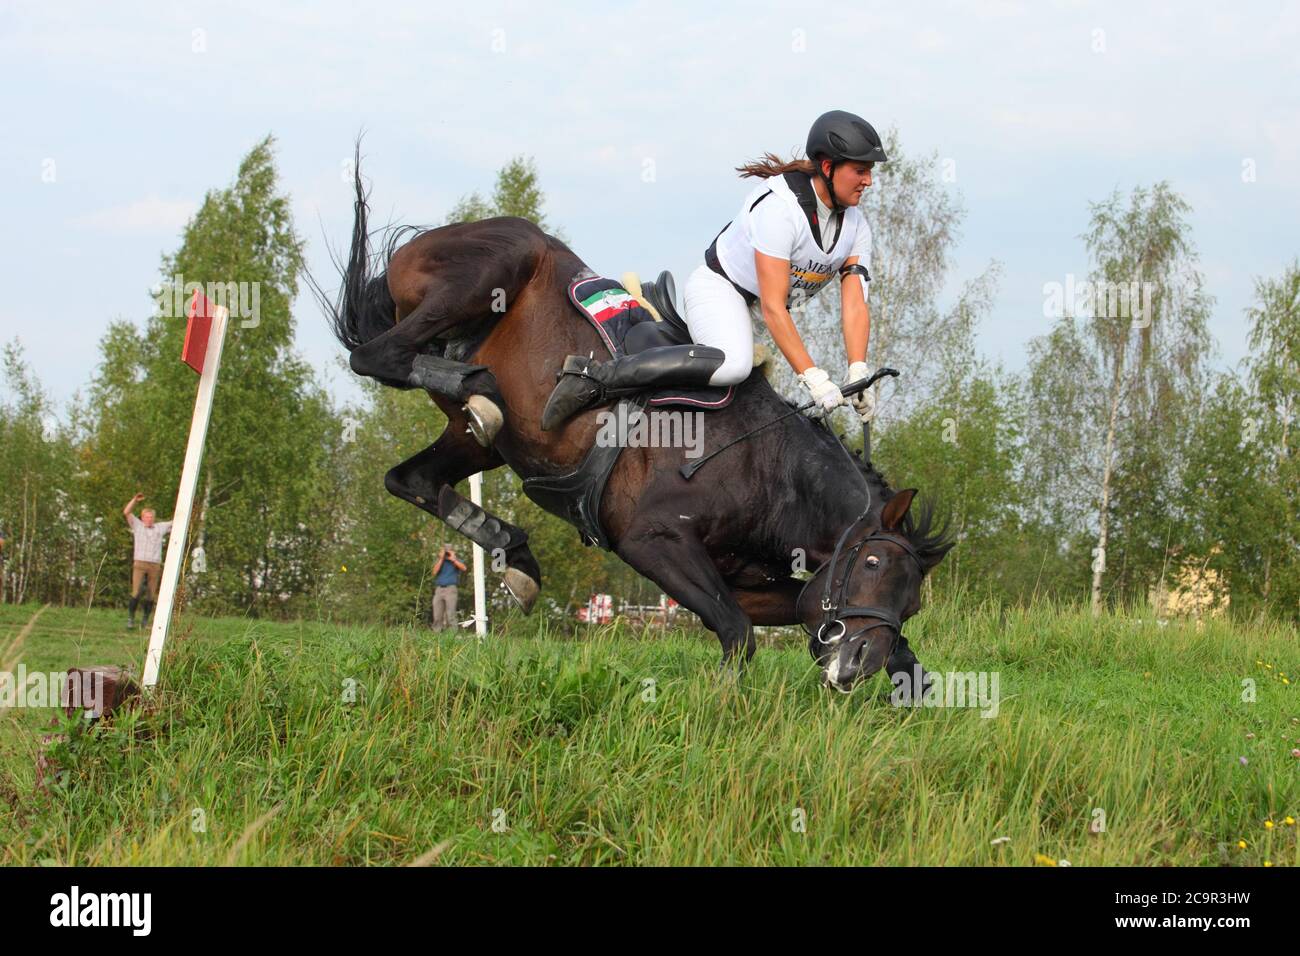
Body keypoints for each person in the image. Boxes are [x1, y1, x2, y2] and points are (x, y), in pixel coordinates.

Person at [542, 109, 884, 429]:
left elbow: (854, 304)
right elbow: (773, 306)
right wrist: (812, 376)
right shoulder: (781, 211)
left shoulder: (857, 227)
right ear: (827, 167)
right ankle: (596, 376)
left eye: (870, 171)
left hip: (750, 309)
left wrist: (858, 370)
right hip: (719, 290)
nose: (868, 180)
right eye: (860, 170)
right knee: (735, 364)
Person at [122, 493, 173, 630]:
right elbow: (127, 512)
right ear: (142, 518)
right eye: (146, 517)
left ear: (154, 518)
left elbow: (176, 523)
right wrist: (134, 500)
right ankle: (130, 619)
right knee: (136, 591)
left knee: (151, 593)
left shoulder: (159, 527)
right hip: (140, 563)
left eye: (151, 517)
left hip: (154, 564)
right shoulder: (137, 526)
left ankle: (145, 620)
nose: (149, 520)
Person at [431, 545, 467, 631]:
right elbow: (434, 572)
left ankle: (452, 634)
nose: (447, 553)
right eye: (445, 551)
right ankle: (436, 633)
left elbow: (464, 568)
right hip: (439, 589)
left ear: (453, 551)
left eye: (448, 551)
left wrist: (453, 559)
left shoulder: (456, 560)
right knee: (437, 614)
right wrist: (441, 558)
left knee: (451, 613)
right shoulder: (439, 560)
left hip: (451, 589)